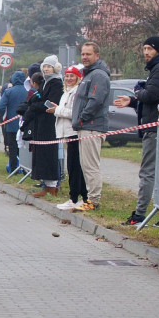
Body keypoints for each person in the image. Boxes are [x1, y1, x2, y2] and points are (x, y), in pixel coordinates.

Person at [114, 36, 159, 225]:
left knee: (148, 172)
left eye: (149, 48)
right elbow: (150, 99)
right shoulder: (158, 68)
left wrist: (137, 92)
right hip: (156, 125)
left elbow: (152, 95)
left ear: (158, 50)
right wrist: (133, 101)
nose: (146, 52)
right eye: (144, 48)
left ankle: (141, 214)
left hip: (158, 128)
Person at [72, 42, 112, 211]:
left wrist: (82, 118)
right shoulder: (88, 74)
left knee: (90, 166)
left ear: (97, 55)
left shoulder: (99, 76)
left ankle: (93, 200)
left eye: (88, 54)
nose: (85, 57)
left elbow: (95, 101)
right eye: (82, 54)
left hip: (92, 126)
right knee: (86, 165)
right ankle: (90, 198)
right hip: (85, 126)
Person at [22, 58, 63, 197]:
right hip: (41, 122)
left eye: (49, 67)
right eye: (44, 66)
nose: (46, 69)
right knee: (41, 154)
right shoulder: (46, 82)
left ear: (55, 68)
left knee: (48, 154)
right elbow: (39, 99)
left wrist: (34, 106)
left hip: (49, 122)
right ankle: (46, 184)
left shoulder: (56, 83)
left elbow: (50, 103)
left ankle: (52, 186)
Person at [53, 66, 87, 211]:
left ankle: (76, 197)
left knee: (75, 166)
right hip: (66, 132)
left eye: (72, 76)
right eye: (67, 76)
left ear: (78, 78)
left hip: (74, 132)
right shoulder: (66, 92)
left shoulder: (77, 92)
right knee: (72, 166)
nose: (69, 79)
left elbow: (74, 113)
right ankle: (77, 196)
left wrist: (57, 110)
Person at [0, 70, 28, 172]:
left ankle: (14, 167)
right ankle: (25, 168)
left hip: (11, 123)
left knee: (13, 147)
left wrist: (3, 117)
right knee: (24, 146)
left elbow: (0, 106)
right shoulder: (29, 91)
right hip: (26, 123)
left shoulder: (8, 91)